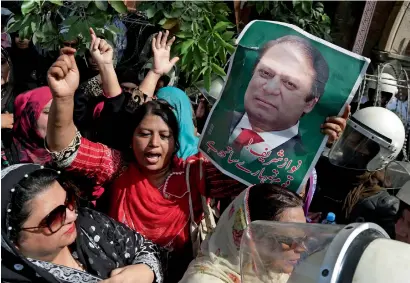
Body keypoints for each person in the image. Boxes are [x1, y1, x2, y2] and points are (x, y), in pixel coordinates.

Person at [44, 29, 346, 281]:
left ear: (177, 142)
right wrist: (63, 97)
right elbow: (66, 150)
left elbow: (266, 181)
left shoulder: (194, 173)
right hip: (121, 274)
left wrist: (314, 138)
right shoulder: (117, 166)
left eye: (164, 136)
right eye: (144, 134)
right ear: (131, 138)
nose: (153, 144)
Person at [1, 163, 163, 283]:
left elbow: (145, 246)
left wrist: (146, 269)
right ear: (13, 241)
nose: (71, 215)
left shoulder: (88, 224)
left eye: (69, 200)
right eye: (55, 217)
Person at [227, 35, 330, 161]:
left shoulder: (301, 160)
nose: (270, 89)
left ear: (309, 103)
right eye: (265, 73)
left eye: (290, 84)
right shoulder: (217, 121)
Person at [179, 184, 305, 283]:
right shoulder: (203, 280)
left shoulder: (274, 272)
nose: (301, 247)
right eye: (289, 240)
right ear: (252, 236)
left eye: (304, 238)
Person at [2, 86, 52, 168]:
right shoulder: (5, 158)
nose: (57, 118)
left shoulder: (73, 153)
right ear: (28, 116)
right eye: (48, 112)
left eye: (61, 112)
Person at [157, 86, 199, 160]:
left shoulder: (203, 155)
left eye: (166, 108)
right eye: (156, 106)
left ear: (182, 111)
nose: (160, 114)